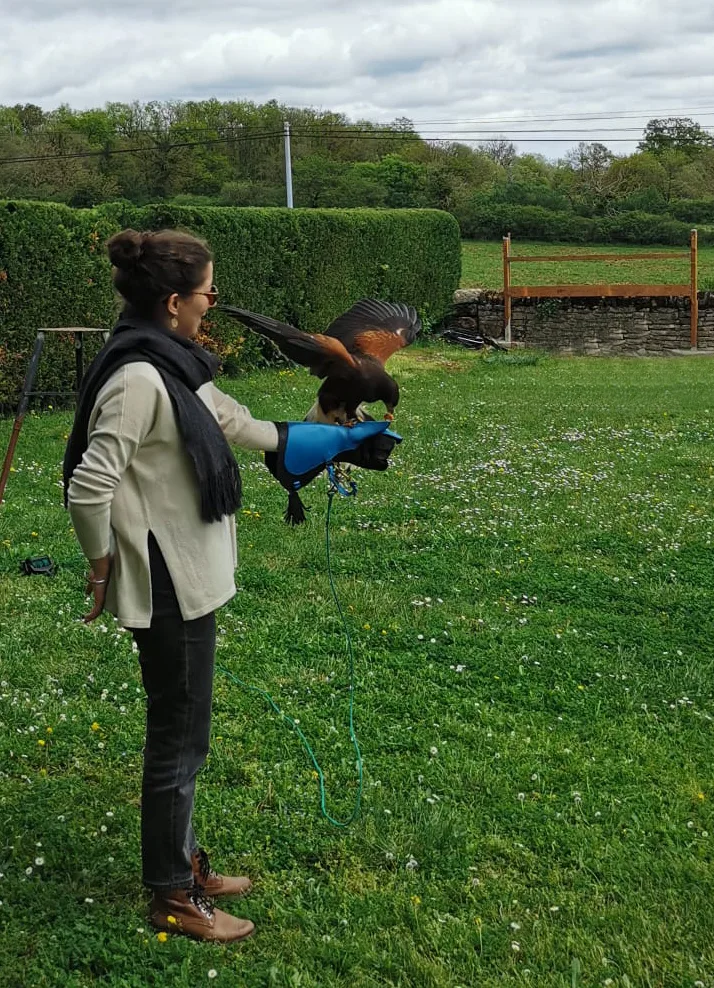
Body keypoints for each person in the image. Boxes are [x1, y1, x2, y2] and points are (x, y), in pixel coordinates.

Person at [63, 228, 398, 943]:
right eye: (208, 289)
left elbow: (234, 423)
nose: (214, 300)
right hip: (165, 578)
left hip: (188, 569)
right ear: (175, 299)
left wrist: (328, 440)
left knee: (189, 732)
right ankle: (173, 895)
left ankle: (181, 863)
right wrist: (100, 563)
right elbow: (91, 483)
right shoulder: (138, 377)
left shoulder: (176, 362)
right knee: (179, 739)